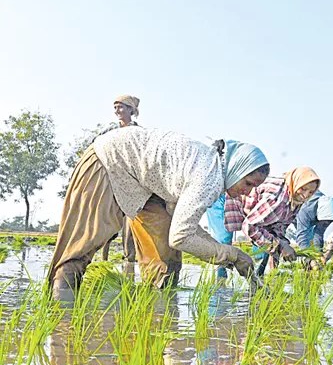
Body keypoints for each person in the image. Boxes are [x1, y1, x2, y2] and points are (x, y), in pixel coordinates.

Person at [47, 126, 269, 299]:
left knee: (165, 258)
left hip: (145, 184)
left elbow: (184, 227)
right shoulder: (209, 177)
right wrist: (231, 255)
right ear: (237, 168)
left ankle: (157, 320)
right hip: (110, 159)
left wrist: (229, 254)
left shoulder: (212, 168)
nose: (246, 193)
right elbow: (181, 237)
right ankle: (62, 322)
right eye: (248, 183)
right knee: (85, 242)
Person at [221, 167, 321, 276]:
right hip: (228, 196)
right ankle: (219, 285)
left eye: (311, 192)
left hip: (252, 213)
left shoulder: (295, 201)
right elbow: (249, 226)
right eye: (303, 189)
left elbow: (278, 229)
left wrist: (282, 249)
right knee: (224, 242)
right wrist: (280, 247)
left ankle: (257, 282)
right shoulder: (277, 198)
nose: (306, 195)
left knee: (265, 246)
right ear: (296, 182)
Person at [101, 95, 140, 263]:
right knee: (108, 222)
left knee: (131, 226)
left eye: (121, 107)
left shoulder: (139, 132)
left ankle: (129, 262)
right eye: (115, 107)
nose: (117, 110)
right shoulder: (110, 131)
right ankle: (104, 261)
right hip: (112, 180)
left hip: (132, 183)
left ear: (131, 110)